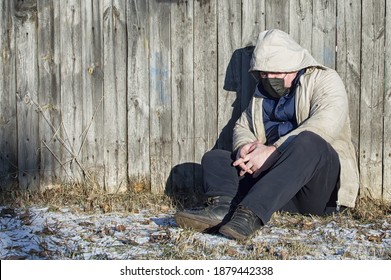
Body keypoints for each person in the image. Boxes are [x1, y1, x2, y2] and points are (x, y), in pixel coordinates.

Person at [174, 29, 360, 241]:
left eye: (276, 72)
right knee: (216, 158)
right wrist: (245, 147)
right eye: (264, 73)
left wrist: (274, 151)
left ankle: (248, 216)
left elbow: (327, 123)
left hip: (315, 190)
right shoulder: (261, 92)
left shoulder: (325, 79)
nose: (269, 78)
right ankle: (222, 209)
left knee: (309, 141)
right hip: (274, 188)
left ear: (293, 66)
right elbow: (243, 126)